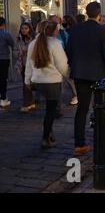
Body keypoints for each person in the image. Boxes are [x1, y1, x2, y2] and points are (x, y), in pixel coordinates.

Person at [67, 2, 105, 156]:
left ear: (86, 13)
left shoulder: (75, 29)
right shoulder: (103, 30)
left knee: (82, 109)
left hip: (80, 74)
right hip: (98, 73)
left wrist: (73, 65)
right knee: (104, 104)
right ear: (99, 14)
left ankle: (79, 144)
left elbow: (69, 50)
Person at [24, 21, 68, 149]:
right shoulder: (55, 44)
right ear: (53, 31)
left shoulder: (33, 43)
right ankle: (46, 137)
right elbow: (62, 65)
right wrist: (67, 76)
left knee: (48, 110)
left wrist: (27, 81)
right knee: (51, 111)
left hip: (38, 81)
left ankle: (49, 134)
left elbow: (28, 64)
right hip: (52, 81)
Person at [15, 22, 36, 113]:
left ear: (29, 29)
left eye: (26, 28)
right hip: (22, 64)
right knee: (25, 84)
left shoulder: (33, 39)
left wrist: (27, 50)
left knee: (29, 84)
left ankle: (29, 102)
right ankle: (28, 103)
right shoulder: (18, 39)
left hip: (31, 64)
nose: (24, 30)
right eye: (22, 28)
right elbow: (14, 50)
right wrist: (19, 53)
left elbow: (36, 51)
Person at [0, 17, 14, 109]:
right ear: (4, 24)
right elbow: (12, 44)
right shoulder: (6, 34)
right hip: (4, 58)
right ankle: (3, 98)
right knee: (3, 78)